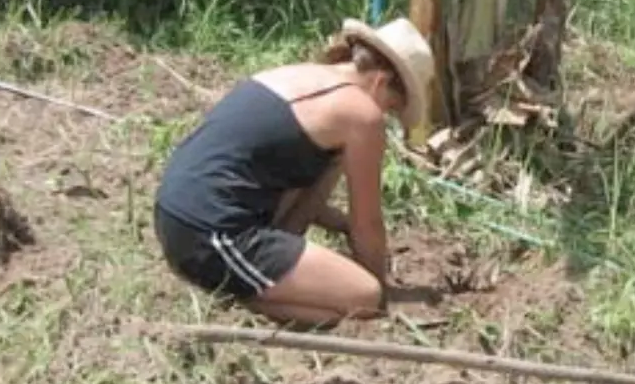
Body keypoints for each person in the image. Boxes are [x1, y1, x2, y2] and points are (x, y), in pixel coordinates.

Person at [153, 18, 434, 328]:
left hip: (178, 216)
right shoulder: (362, 115)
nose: (385, 116)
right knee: (363, 297)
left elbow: (270, 178)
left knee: (330, 161)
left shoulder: (303, 76)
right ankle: (243, 296)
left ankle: (261, 283)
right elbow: (367, 225)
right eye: (391, 107)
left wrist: (341, 224)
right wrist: (380, 294)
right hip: (211, 233)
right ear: (381, 81)